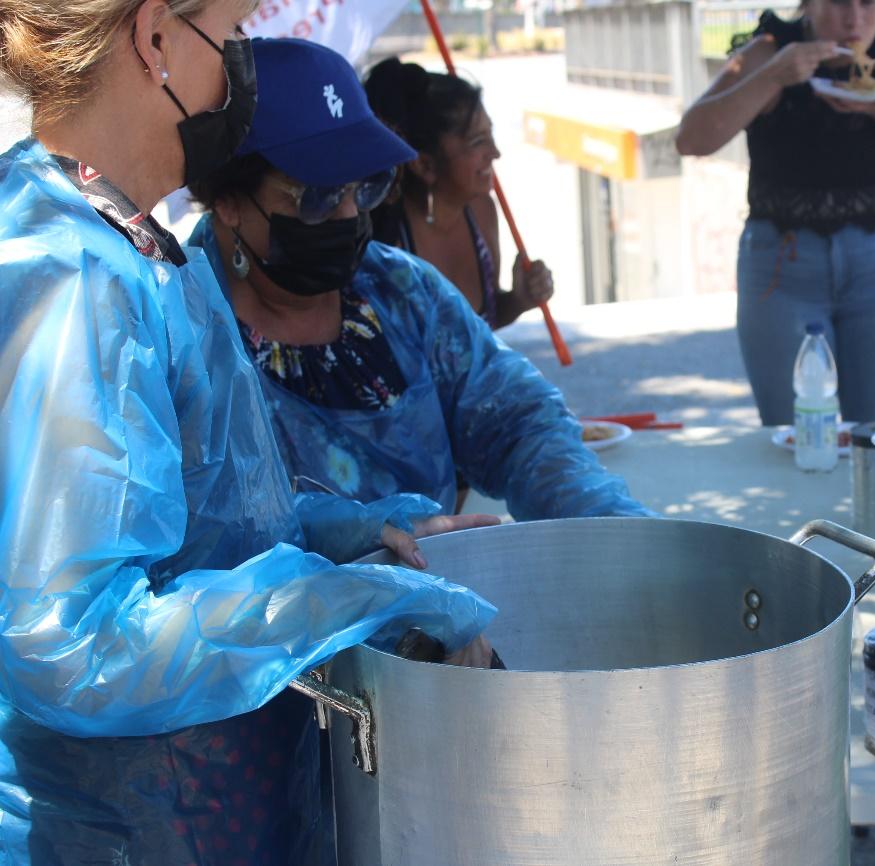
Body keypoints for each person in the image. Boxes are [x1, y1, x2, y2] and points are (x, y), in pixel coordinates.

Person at [0, 2, 500, 862]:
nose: (240, 69)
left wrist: (356, 534)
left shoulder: (137, 242)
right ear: (156, 39)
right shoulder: (73, 278)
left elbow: (207, 507)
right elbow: (73, 645)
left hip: (223, 806)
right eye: (229, 39)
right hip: (136, 830)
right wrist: (351, 601)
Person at [189, 38, 651, 521]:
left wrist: (611, 523)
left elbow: (519, 425)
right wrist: (359, 539)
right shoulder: (178, 336)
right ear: (228, 199)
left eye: (366, 188)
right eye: (318, 197)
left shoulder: (400, 291)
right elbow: (203, 546)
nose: (349, 215)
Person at [675, 0, 875, 426]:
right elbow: (691, 139)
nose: (854, 20)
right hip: (782, 262)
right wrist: (774, 76)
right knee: (794, 434)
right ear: (808, 6)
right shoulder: (770, 50)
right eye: (838, 3)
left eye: (869, 4)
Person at [362, 59, 553, 330]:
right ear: (425, 165)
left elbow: (477, 333)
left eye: (491, 135)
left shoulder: (482, 210)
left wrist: (519, 300)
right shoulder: (386, 240)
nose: (495, 152)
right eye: (478, 142)